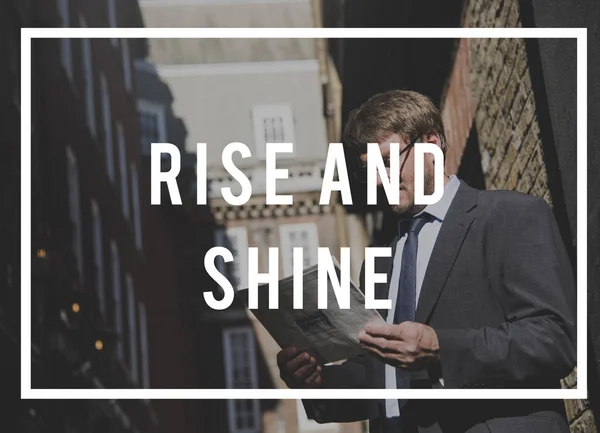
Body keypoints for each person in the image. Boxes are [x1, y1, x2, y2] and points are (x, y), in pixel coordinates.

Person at [276, 90, 577, 433]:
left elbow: (556, 339)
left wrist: (441, 350)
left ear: (432, 143)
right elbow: (382, 378)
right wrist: (315, 381)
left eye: (387, 161)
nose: (377, 180)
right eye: (369, 169)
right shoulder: (380, 263)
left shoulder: (510, 216)